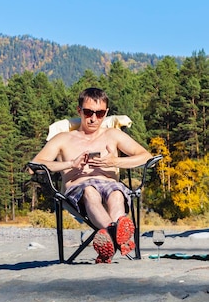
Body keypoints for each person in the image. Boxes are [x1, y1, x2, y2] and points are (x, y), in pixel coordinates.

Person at [31, 87, 152, 263]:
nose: (94, 118)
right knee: (90, 191)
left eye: (100, 113)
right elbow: (34, 166)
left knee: (117, 194)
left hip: (110, 185)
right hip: (79, 190)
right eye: (88, 112)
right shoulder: (63, 138)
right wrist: (70, 164)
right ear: (79, 110)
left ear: (106, 112)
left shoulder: (112, 134)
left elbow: (146, 156)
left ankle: (111, 237)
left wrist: (115, 162)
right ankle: (117, 233)